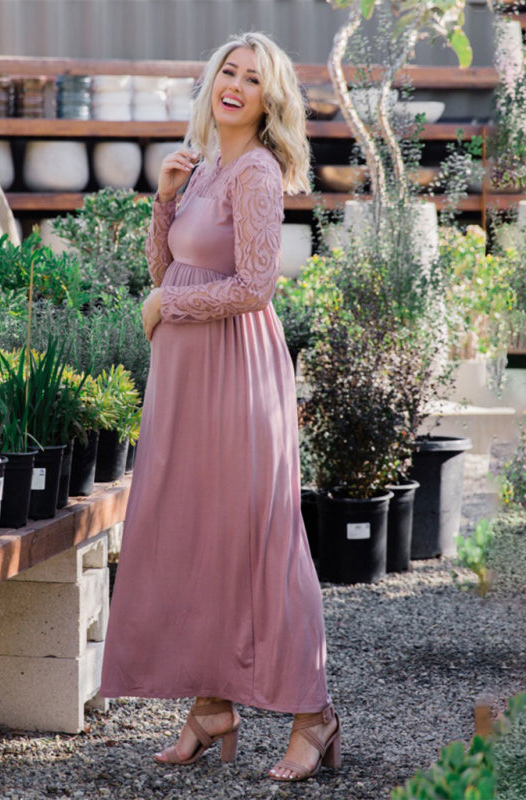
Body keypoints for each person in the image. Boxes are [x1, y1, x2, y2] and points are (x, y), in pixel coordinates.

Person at [100, 31, 340, 783]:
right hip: (186, 376)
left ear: (271, 99)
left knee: (263, 541)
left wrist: (166, 306)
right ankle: (210, 707)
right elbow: (167, 269)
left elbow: (256, 287)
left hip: (237, 375)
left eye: (253, 79)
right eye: (228, 72)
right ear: (211, 83)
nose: (235, 85)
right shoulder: (203, 166)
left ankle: (314, 715)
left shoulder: (258, 173)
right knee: (196, 532)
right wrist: (165, 201)